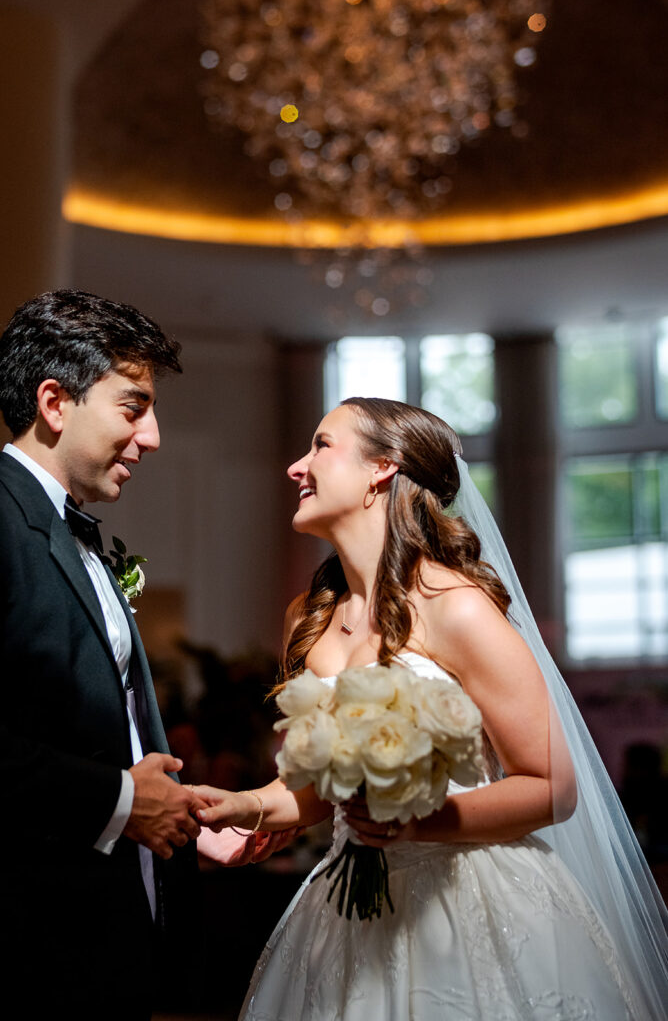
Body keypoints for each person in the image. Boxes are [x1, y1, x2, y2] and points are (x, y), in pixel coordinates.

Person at [194, 397, 668, 1020]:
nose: (295, 466)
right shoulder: (305, 620)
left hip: (469, 903)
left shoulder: (459, 608)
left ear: (382, 469)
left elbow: (552, 788)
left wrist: (415, 823)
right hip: (344, 909)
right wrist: (252, 808)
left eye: (321, 445)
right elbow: (321, 787)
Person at [0, 289, 212, 1020]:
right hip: (19, 954)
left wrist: (180, 817)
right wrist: (122, 800)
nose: (151, 437)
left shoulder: (76, 537)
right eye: (133, 407)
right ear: (55, 402)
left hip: (109, 937)